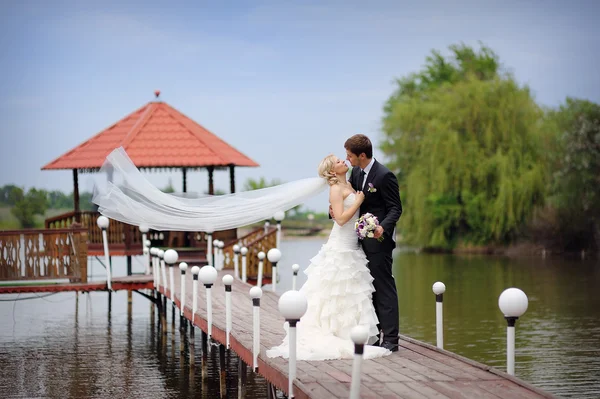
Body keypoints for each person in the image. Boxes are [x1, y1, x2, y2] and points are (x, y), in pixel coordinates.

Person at [265, 154, 392, 361]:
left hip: (353, 244)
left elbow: (339, 212)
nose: (344, 161)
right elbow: (340, 219)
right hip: (341, 242)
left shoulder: (350, 183)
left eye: (343, 159)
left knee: (351, 290)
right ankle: (333, 332)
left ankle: (349, 332)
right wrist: (358, 201)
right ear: (333, 171)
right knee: (336, 288)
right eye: (339, 162)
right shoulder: (336, 189)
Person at [342, 134, 402, 351]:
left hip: (380, 242)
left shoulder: (385, 175)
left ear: (362, 155)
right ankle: (376, 334)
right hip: (359, 241)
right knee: (368, 289)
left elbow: (396, 208)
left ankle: (392, 339)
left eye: (350, 155)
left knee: (384, 287)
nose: (347, 159)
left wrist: (381, 228)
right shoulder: (356, 172)